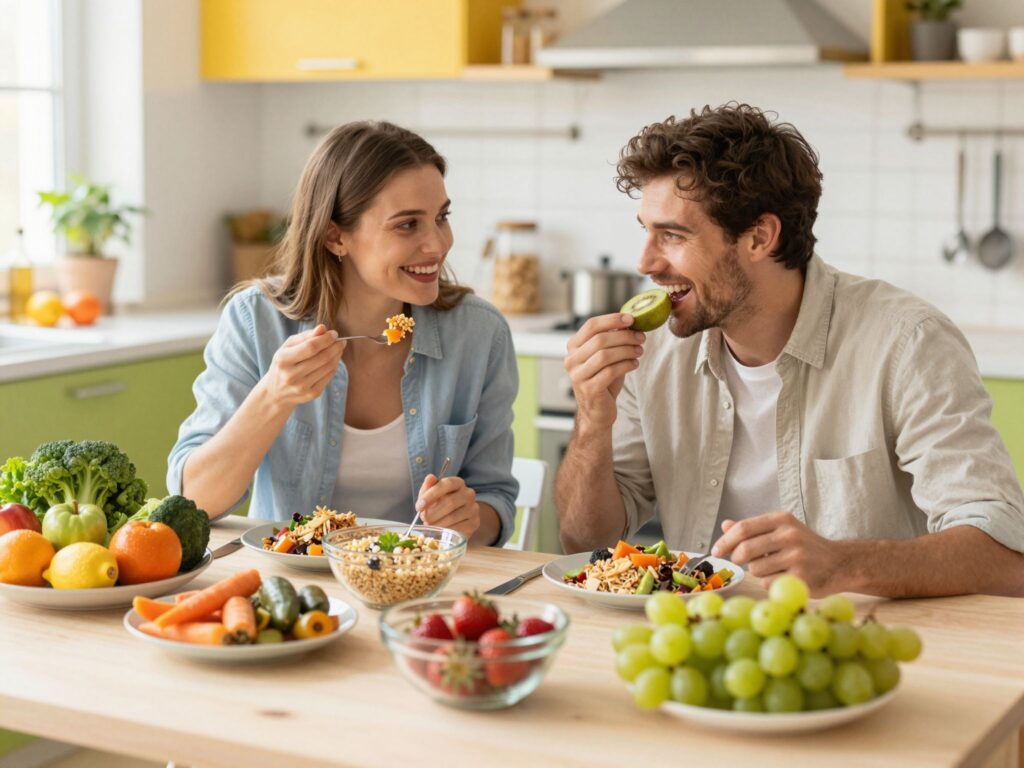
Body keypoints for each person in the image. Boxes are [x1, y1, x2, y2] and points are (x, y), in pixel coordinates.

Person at [556, 103, 1024, 597]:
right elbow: (586, 541)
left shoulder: (908, 342)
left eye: (672, 235)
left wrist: (840, 564)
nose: (646, 262)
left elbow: (1004, 557)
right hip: (699, 639)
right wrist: (592, 418)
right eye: (646, 231)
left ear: (759, 236)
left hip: (859, 643)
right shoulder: (650, 352)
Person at [168, 121, 518, 545]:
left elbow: (495, 501)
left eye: (441, 217)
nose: (437, 244)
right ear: (336, 236)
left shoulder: (479, 334)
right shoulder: (255, 321)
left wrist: (469, 517)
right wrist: (273, 396)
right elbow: (195, 501)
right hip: (295, 592)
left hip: (421, 589)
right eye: (408, 225)